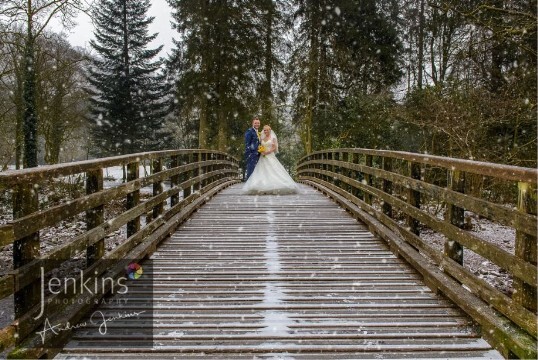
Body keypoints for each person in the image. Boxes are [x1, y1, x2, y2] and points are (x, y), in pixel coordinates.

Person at [243, 125, 299, 195]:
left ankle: (275, 185)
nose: (265, 131)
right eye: (264, 130)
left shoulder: (273, 138)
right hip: (262, 157)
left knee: (274, 170)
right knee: (261, 171)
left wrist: (267, 152)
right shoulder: (262, 138)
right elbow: (259, 146)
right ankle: (262, 185)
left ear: (270, 130)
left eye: (267, 130)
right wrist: (261, 151)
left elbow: (274, 148)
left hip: (270, 155)